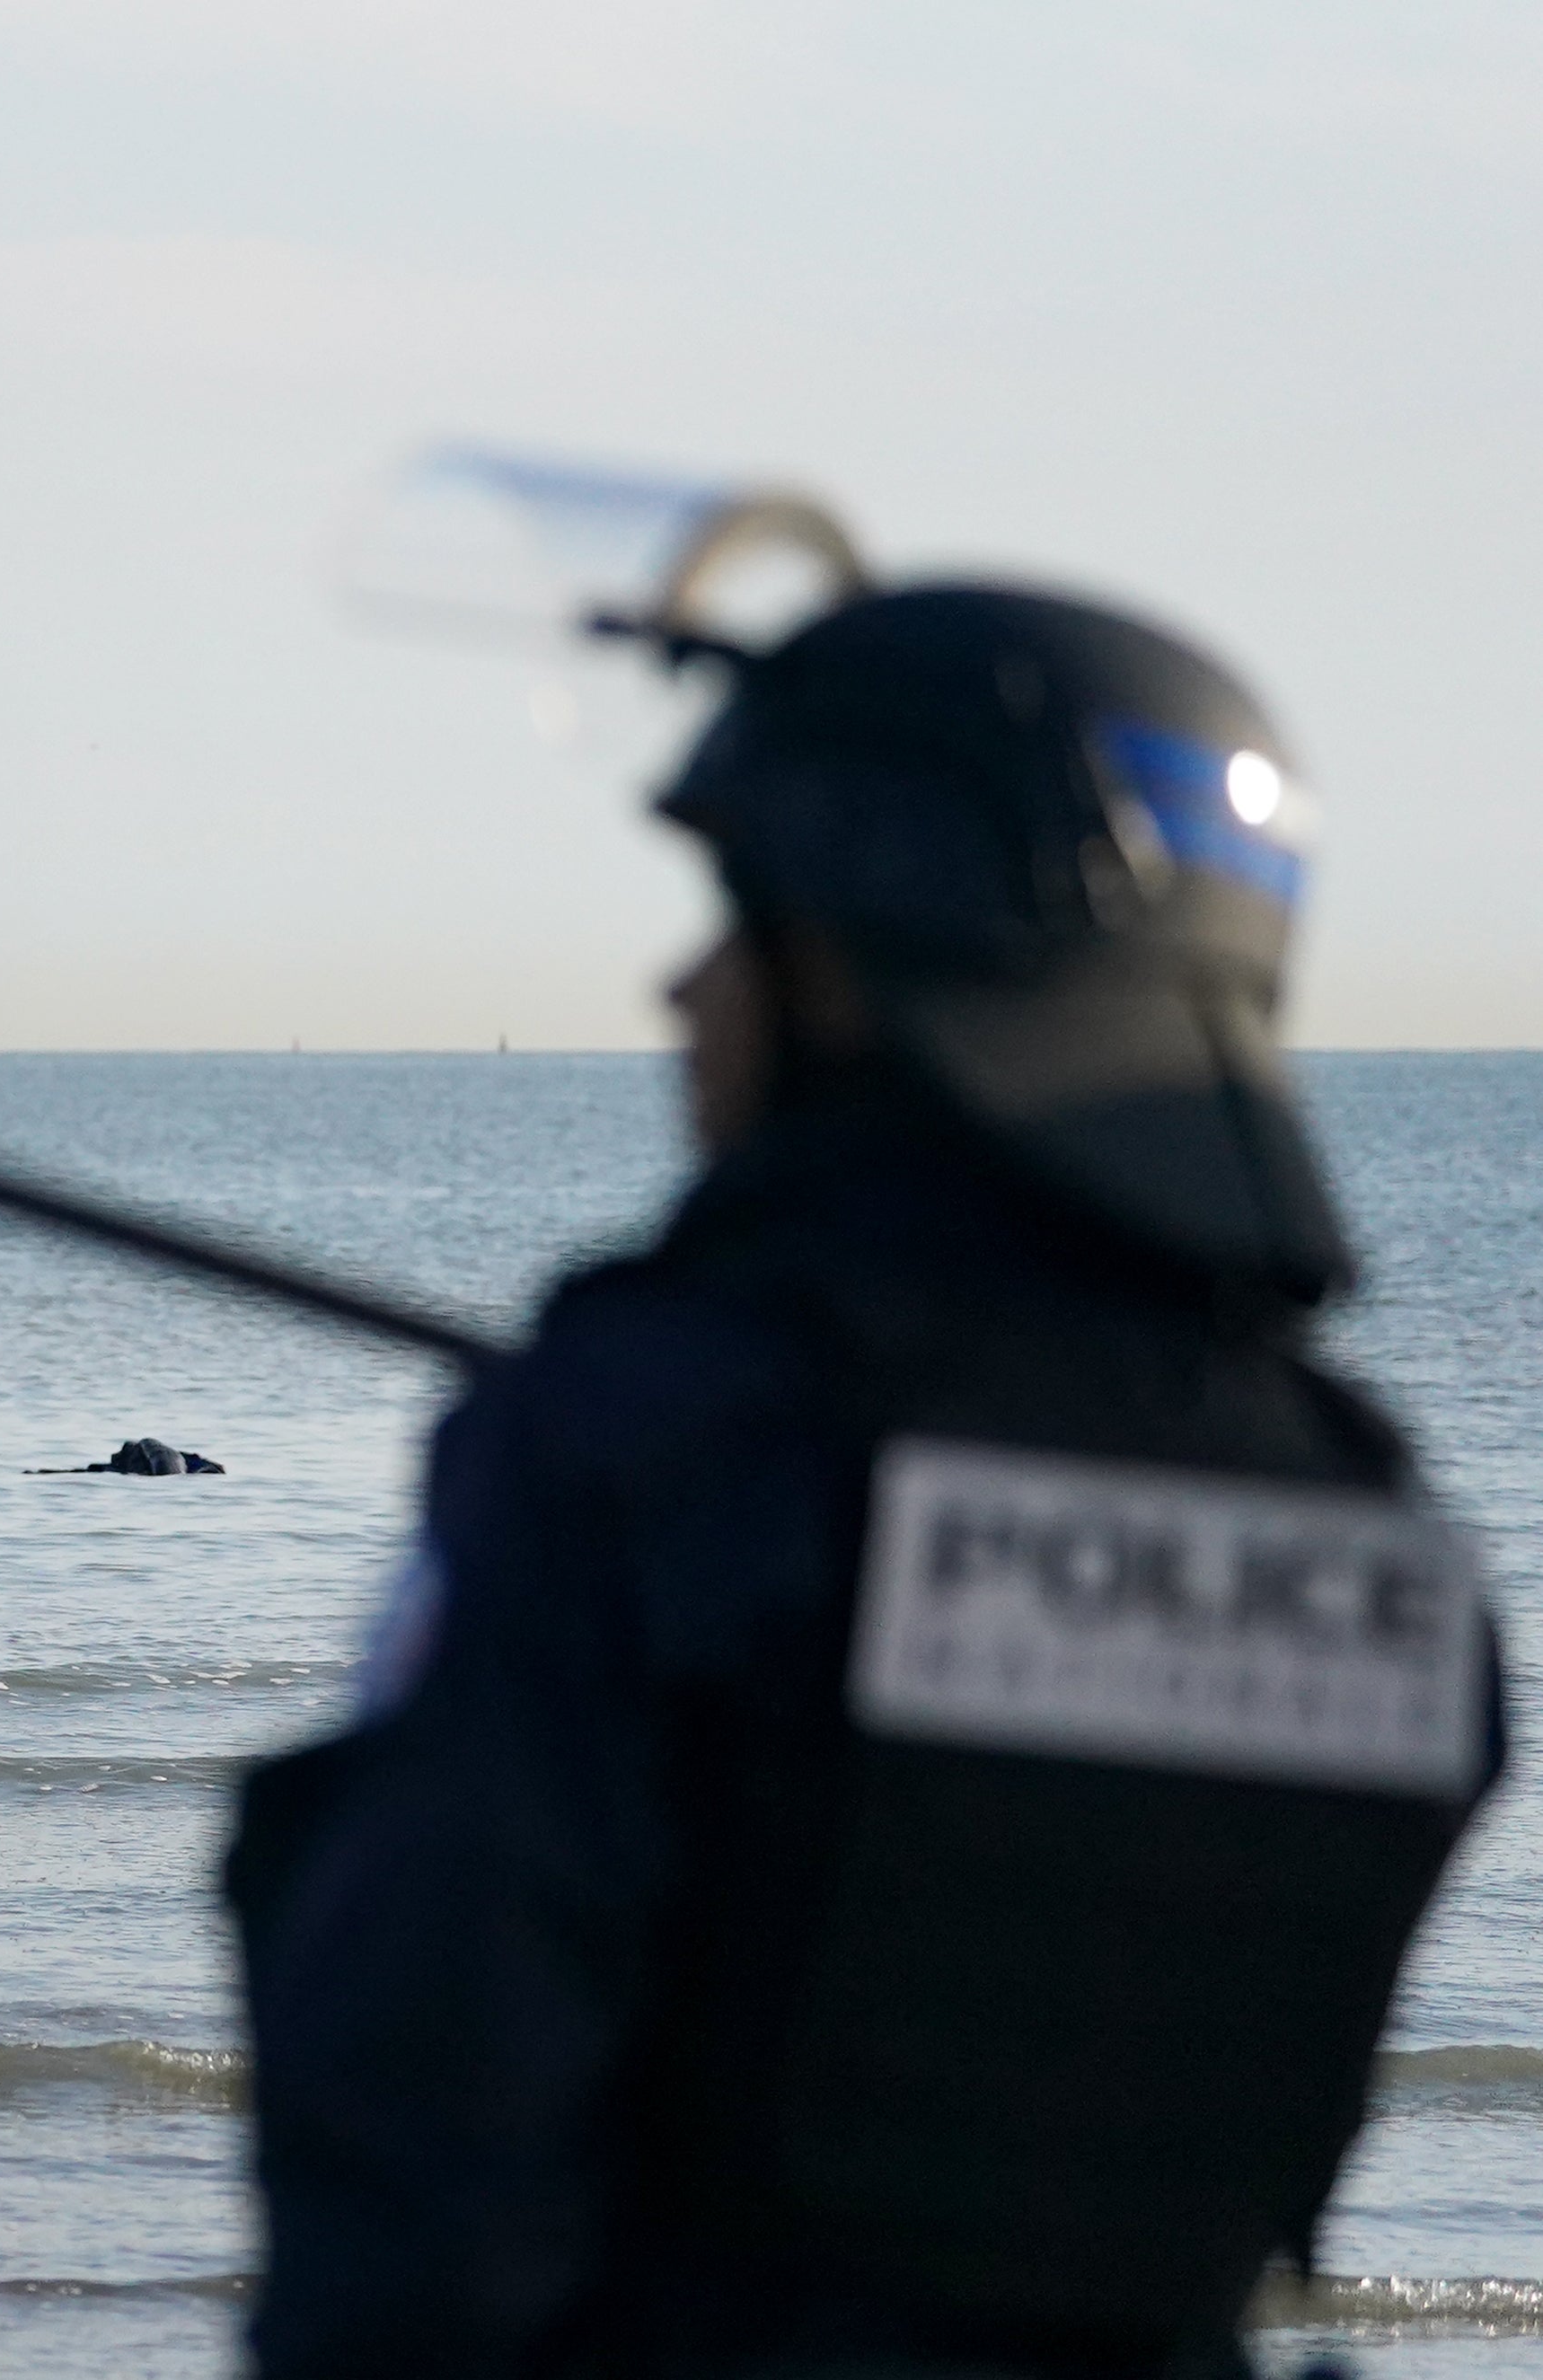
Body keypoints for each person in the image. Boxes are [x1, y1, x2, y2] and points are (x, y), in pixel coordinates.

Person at [226, 585, 1505, 2376]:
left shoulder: (640, 1436)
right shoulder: (1381, 1536)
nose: (676, 987)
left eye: (732, 922)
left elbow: (423, 2110)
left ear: (848, 969)